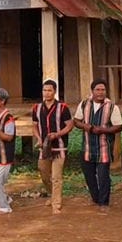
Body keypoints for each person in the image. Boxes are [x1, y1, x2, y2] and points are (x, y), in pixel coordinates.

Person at [74, 79, 122, 213]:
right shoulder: (84, 104)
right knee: (89, 176)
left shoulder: (112, 106)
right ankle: (96, 198)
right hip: (87, 147)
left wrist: (103, 130)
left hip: (104, 148)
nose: (100, 92)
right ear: (92, 91)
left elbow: (119, 126)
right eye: (98, 90)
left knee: (103, 176)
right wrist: (87, 127)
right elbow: (76, 121)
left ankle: (104, 202)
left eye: (103, 90)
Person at [33, 80, 74, 215]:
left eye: (49, 90)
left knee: (56, 176)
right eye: (44, 90)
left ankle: (56, 203)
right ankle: (52, 195)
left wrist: (58, 134)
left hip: (59, 147)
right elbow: (35, 126)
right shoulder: (36, 108)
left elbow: (69, 125)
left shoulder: (63, 108)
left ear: (55, 91)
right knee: (44, 173)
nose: (47, 93)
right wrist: (39, 139)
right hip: (44, 147)